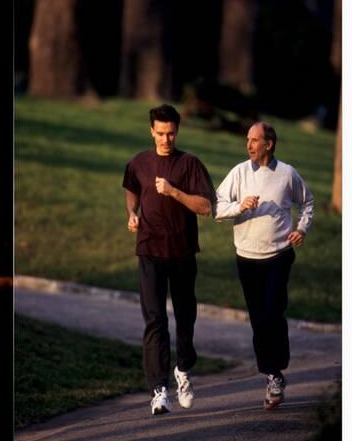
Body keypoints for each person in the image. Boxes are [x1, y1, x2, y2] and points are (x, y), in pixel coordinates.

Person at [214, 121, 314, 410]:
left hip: (279, 256)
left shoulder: (287, 174)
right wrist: (240, 206)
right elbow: (216, 207)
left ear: (269, 144)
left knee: (272, 313)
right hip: (246, 258)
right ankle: (273, 375)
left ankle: (276, 370)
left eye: (254, 140)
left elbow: (307, 203)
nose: (249, 145)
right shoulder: (239, 172)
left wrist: (302, 229)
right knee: (259, 320)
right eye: (247, 139)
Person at [122, 104, 214, 416]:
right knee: (154, 319)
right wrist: (132, 213)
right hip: (149, 250)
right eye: (160, 133)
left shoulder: (190, 165)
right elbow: (132, 190)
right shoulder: (139, 163)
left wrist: (174, 192)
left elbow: (205, 207)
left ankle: (183, 369)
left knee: (185, 317)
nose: (166, 139)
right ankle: (159, 391)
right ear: (151, 131)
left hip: (183, 252)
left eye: (171, 133)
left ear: (178, 131)